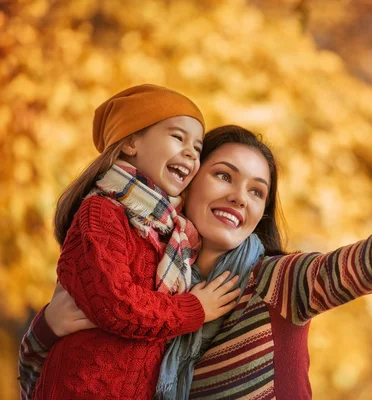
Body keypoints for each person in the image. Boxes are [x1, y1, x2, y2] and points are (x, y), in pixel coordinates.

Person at [20, 125, 372, 400]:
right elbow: (42, 381)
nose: (239, 197)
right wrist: (47, 327)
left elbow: (361, 266)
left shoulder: (274, 280)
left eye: (257, 191)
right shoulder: (142, 292)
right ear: (187, 184)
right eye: (223, 176)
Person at [24, 85, 242, 400]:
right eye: (178, 137)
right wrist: (195, 308)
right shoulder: (100, 213)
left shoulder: (176, 233)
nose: (192, 153)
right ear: (130, 141)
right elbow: (118, 305)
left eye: (197, 147)